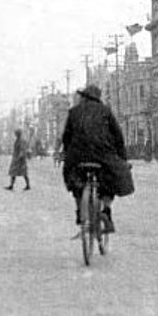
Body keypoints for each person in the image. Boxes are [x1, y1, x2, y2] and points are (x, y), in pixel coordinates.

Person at [61, 84, 131, 233]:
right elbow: (118, 137)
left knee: (72, 177)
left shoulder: (74, 112)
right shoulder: (106, 111)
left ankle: (80, 209)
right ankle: (106, 209)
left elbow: (66, 137)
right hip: (103, 155)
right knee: (111, 179)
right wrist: (122, 159)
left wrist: (68, 154)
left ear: (84, 97)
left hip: (78, 156)